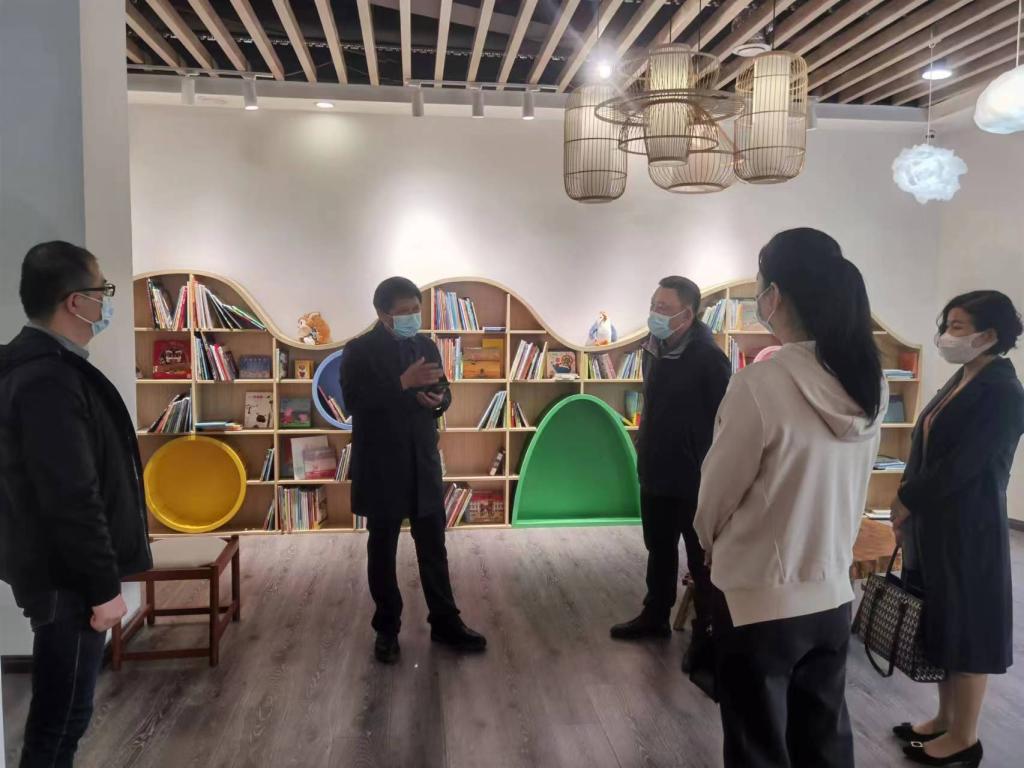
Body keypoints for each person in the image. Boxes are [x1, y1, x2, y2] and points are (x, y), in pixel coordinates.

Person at [694, 228, 886, 768]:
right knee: (823, 738)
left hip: (759, 597)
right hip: (833, 591)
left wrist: (707, 541)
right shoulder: (868, 382)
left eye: (760, 287)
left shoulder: (759, 384)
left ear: (774, 296)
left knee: (757, 745)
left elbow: (716, 495)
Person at [0, 241, 152, 767]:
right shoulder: (47, 379)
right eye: (102, 290)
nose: (106, 302)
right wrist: (104, 588)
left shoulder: (43, 368)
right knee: (60, 720)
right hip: (67, 582)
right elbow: (71, 496)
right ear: (75, 301)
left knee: (65, 716)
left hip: (62, 574)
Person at [892, 291, 1024, 768]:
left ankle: (965, 737)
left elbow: (964, 465)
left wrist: (907, 499)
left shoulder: (1004, 391)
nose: (946, 335)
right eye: (946, 324)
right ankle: (945, 718)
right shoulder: (966, 375)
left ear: (990, 334)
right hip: (936, 524)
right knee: (944, 621)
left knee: (968, 629)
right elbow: (929, 445)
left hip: (969, 529)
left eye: (958, 327)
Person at [340, 277, 486, 664]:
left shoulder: (425, 345)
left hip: (422, 460)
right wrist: (402, 383)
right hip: (382, 463)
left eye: (415, 310)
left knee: (434, 546)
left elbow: (445, 390)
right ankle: (387, 628)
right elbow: (353, 402)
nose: (411, 318)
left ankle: (445, 621)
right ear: (382, 313)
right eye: (403, 312)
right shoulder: (359, 350)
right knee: (382, 548)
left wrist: (438, 400)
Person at [610, 276, 730, 684]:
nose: (654, 314)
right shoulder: (654, 348)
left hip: (695, 476)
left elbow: (724, 421)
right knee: (658, 547)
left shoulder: (709, 358)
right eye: (653, 305)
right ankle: (655, 614)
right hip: (657, 467)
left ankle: (707, 634)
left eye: (663, 308)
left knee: (700, 560)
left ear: (687, 314)